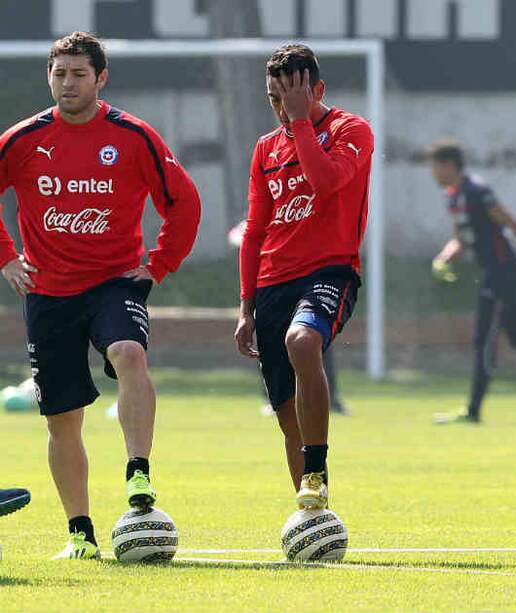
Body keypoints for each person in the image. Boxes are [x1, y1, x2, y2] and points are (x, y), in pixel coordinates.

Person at [0, 32, 201, 559]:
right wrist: (5, 257)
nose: (68, 83)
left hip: (115, 282)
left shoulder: (133, 136)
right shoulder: (21, 140)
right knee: (62, 418)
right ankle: (80, 535)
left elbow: (184, 203)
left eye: (78, 74)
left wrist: (158, 265)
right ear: (49, 76)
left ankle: (138, 470)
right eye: (60, 73)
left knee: (129, 352)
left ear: (101, 78)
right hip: (47, 292)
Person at [235, 44, 372, 510]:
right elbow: (255, 230)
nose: (281, 107)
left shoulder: (351, 130)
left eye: (291, 96)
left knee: (303, 341)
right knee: (284, 412)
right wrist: (246, 306)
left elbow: (326, 182)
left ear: (318, 89)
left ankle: (316, 465)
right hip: (272, 282)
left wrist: (298, 121)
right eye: (273, 98)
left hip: (331, 270)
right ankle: (315, 513)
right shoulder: (265, 148)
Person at [429, 141, 516, 424]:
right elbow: (462, 239)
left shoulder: (477, 191)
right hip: (493, 273)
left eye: (436, 166)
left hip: (505, 272)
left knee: (485, 340)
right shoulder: (453, 197)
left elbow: (510, 222)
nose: (433, 172)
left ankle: (473, 410)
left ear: (450, 165)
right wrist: (445, 257)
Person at [228, 220, 349, 416]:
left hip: (305, 285)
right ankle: (273, 399)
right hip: (269, 286)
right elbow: (241, 237)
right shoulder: (260, 215)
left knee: (314, 342)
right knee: (269, 346)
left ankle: (331, 399)